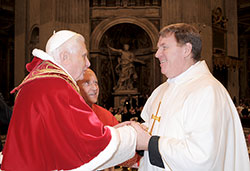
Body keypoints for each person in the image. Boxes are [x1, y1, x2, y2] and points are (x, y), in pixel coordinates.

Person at [1, 30, 138, 171]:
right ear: (64, 57)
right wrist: (133, 136)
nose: (88, 63)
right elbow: (86, 145)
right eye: (84, 56)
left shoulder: (41, 80)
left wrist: (108, 131)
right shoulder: (56, 85)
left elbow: (64, 137)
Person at [133, 23, 250, 170]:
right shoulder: (161, 90)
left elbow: (201, 158)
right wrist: (132, 133)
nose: (157, 54)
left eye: (164, 47)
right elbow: (156, 129)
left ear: (186, 50)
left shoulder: (207, 91)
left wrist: (150, 144)